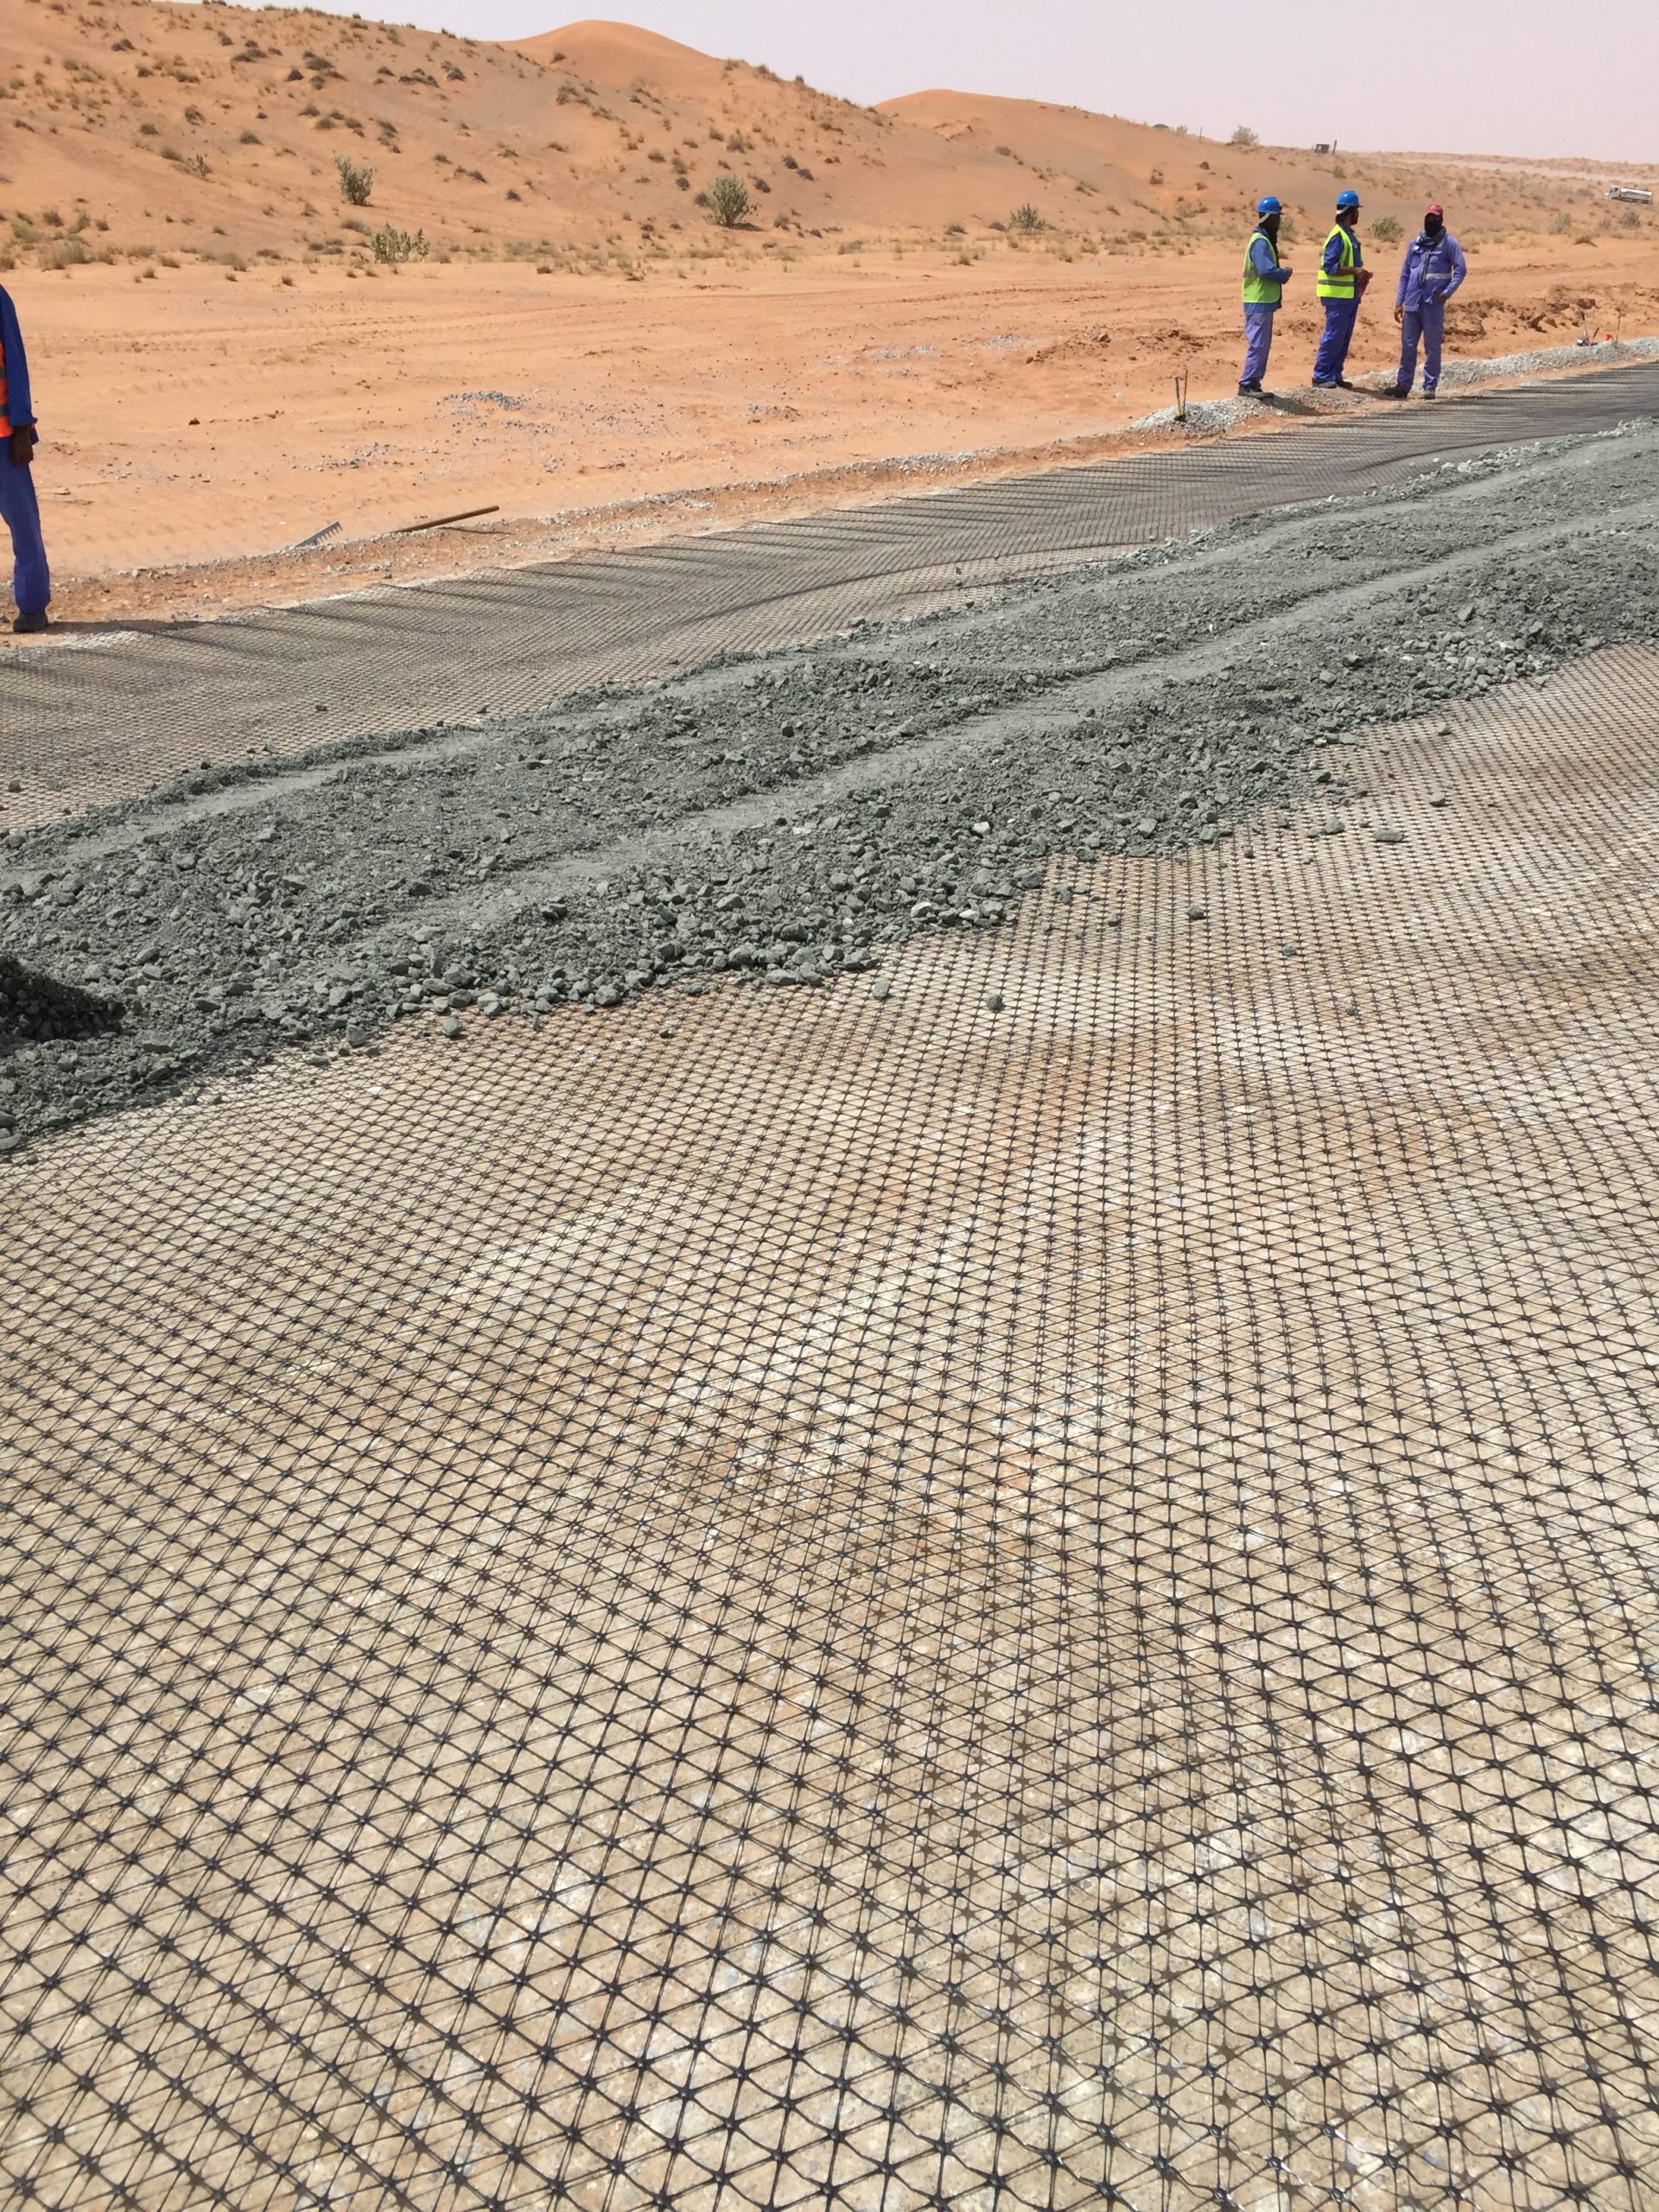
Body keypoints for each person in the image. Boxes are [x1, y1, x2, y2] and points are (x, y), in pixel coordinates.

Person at [0, 281, 50, 635]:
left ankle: (32, 606)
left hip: (4, 439)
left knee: (23, 525)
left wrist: (21, 428)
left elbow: (15, 363)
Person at [1382, 204, 1467, 398]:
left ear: (1441, 220)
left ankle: (1430, 386)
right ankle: (1403, 386)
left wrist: (1447, 293)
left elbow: (1461, 270)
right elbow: (1405, 274)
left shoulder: (1449, 243)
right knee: (1408, 346)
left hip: (1433, 303)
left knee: (1432, 346)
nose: (1431, 221)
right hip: (1412, 302)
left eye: (1435, 218)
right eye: (1428, 217)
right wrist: (1399, 302)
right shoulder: (1415, 243)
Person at [1312, 189, 1370, 389]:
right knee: (1333, 336)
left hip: (1349, 295)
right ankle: (1321, 375)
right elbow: (1330, 266)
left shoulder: (1348, 235)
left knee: (1343, 337)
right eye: (1356, 211)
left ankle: (1335, 374)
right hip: (1337, 296)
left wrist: (1361, 275)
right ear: (1350, 212)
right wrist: (1355, 271)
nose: (1358, 215)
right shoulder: (1338, 236)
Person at [1238, 196, 1294, 397]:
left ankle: (1254, 382)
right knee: (1258, 343)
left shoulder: (1263, 240)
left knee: (1262, 343)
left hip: (1263, 300)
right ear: (1269, 218)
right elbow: (1265, 270)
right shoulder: (1261, 242)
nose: (1279, 222)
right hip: (1258, 299)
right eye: (1277, 218)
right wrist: (1284, 273)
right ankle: (1247, 383)